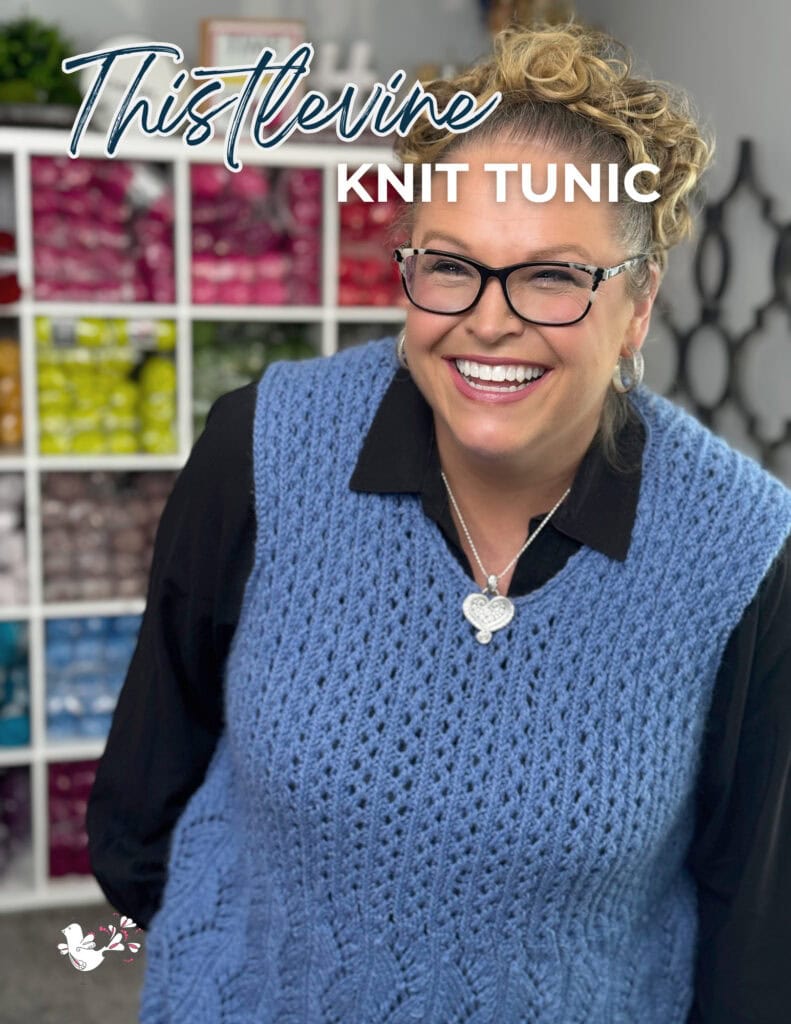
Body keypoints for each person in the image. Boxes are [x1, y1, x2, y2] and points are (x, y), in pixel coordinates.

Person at [86, 20, 791, 1024]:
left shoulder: (739, 549)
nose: (488, 318)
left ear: (636, 304)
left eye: (552, 275)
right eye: (449, 264)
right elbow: (142, 798)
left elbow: (753, 932)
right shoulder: (263, 448)